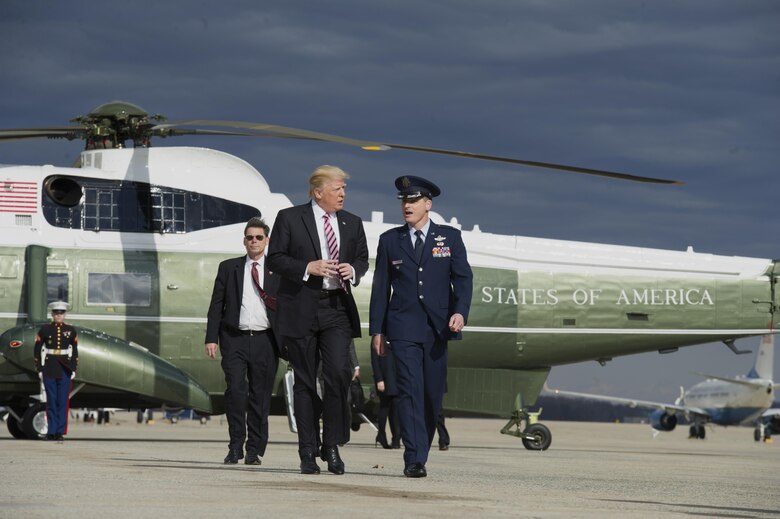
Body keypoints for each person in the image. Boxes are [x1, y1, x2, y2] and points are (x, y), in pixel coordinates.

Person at [268, 165, 369, 475]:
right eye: (337, 189)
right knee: (304, 380)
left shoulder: (352, 222)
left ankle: (332, 444)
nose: (343, 194)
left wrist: (354, 269)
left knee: (339, 374)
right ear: (318, 192)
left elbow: (363, 258)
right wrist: (306, 267)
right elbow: (275, 258)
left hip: (336, 307)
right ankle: (307, 451)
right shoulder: (290, 217)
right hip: (301, 308)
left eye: (344, 189)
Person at [369, 175, 472, 478]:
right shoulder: (390, 240)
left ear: (428, 204)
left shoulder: (449, 237)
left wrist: (460, 312)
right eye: (403, 201)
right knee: (409, 391)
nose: (407, 206)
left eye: (413, 201)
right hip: (402, 328)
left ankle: (420, 450)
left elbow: (463, 279)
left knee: (431, 395)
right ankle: (414, 458)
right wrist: (378, 330)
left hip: (438, 329)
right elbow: (380, 288)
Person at [205, 217, 279, 466]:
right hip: (234, 339)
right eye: (250, 237)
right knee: (236, 392)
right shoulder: (229, 268)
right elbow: (216, 305)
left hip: (265, 341)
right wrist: (211, 338)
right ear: (244, 241)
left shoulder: (277, 269)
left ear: (266, 240)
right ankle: (235, 445)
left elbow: (289, 306)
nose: (254, 241)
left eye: (259, 237)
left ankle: (254, 450)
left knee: (260, 397)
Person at [34, 301, 78, 442]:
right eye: (56, 313)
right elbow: (37, 349)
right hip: (50, 367)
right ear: (52, 314)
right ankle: (51, 431)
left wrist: (73, 368)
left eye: (61, 313)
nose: (59, 316)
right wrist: (39, 368)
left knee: (62, 402)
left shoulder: (70, 330)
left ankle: (60, 432)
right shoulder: (45, 329)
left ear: (64, 315)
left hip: (64, 368)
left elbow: (75, 351)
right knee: (51, 402)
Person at [371, 341, 401, 449]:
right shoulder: (378, 338)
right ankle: (382, 435)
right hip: (385, 378)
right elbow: (375, 359)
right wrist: (379, 379)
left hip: (397, 377)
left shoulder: (395, 335)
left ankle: (396, 438)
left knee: (396, 409)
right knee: (385, 406)